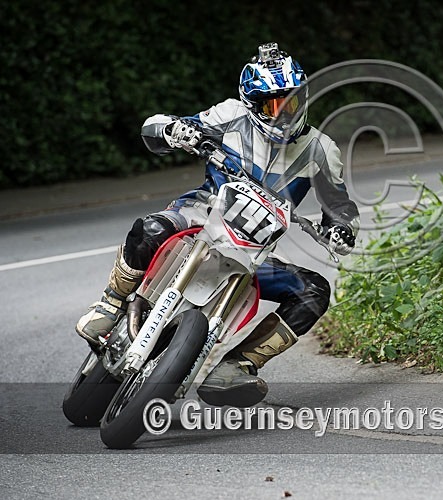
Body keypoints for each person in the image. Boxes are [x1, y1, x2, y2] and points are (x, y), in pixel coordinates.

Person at [75, 42, 358, 407]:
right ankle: (110, 305)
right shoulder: (230, 114)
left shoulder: (322, 149)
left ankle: (238, 365)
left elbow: (341, 207)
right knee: (150, 229)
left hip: (252, 254)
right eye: (273, 104)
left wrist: (341, 229)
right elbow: (156, 125)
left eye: (292, 99)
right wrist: (176, 130)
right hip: (197, 217)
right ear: (252, 103)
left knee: (314, 291)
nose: (285, 112)